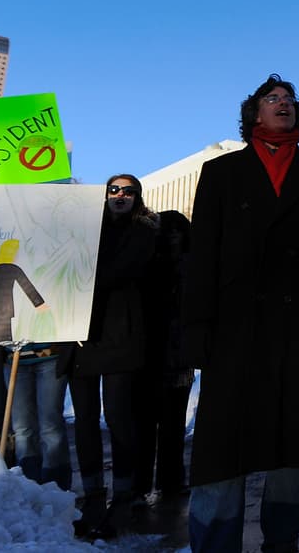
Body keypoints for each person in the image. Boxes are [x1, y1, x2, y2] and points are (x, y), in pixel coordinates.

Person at [184, 74, 299, 553]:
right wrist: (196, 325)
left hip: (298, 328)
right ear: (253, 115)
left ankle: (282, 541)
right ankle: (214, 542)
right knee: (223, 448)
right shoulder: (222, 173)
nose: (282, 103)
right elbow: (203, 253)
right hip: (234, 331)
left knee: (291, 447)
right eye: (272, 98)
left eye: (288, 99)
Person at [60, 173, 158, 539]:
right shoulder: (84, 228)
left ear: (137, 197)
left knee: (118, 418)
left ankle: (123, 496)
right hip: (79, 334)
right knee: (84, 419)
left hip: (119, 334)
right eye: (113, 190)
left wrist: (75, 275)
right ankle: (93, 495)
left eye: (128, 191)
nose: (120, 196)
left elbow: (121, 271)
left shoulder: (144, 231)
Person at [132, 208, 195, 505]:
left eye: (177, 229)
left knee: (173, 425)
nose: (172, 235)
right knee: (145, 424)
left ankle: (172, 481)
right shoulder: (147, 264)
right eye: (167, 230)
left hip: (179, 356)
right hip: (148, 354)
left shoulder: (194, 266)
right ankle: (141, 483)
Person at [7, 341, 72, 491]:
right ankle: (29, 485)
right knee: (23, 428)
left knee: (50, 425)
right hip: (14, 357)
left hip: (50, 354)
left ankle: (57, 487)